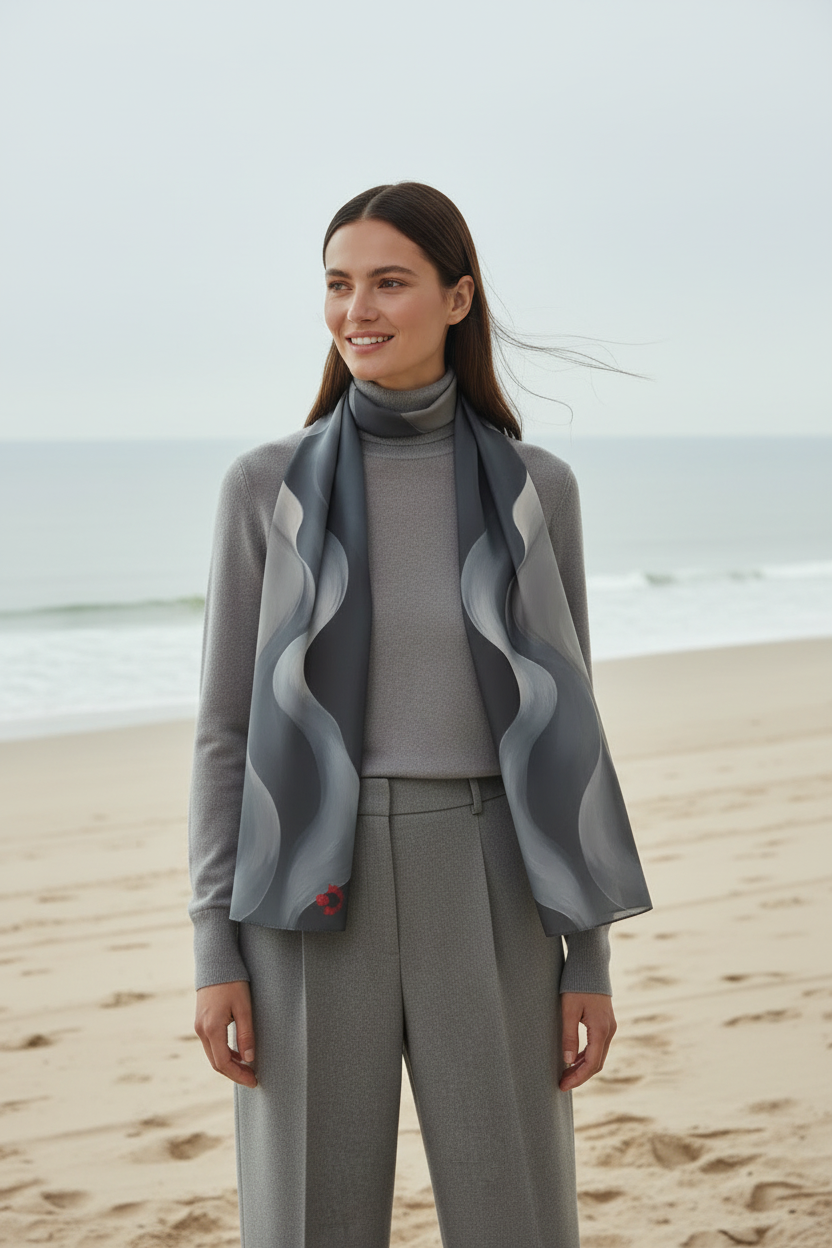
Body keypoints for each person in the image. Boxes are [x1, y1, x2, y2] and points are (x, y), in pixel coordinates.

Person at [188, 181, 651, 1248]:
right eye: (338, 285)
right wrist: (213, 946)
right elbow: (225, 733)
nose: (358, 309)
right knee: (306, 1221)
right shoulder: (265, 490)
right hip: (300, 886)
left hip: (492, 879)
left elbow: (566, 732)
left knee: (515, 1219)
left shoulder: (539, 489)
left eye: (388, 282)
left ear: (456, 299)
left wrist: (588, 958)